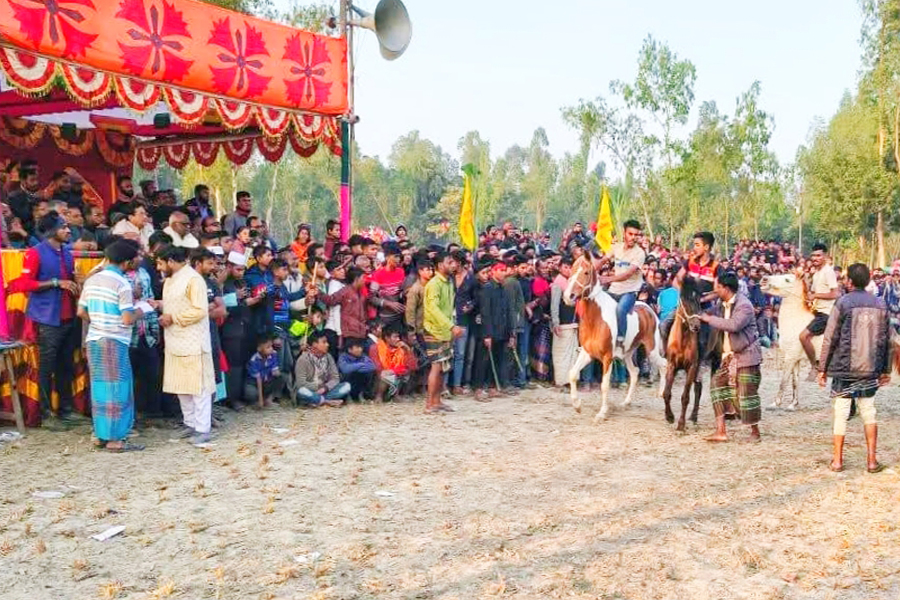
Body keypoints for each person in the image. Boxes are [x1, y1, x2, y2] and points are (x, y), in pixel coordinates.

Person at [8, 212, 82, 428]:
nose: (68, 231)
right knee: (46, 368)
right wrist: (56, 282)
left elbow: (70, 281)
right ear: (51, 231)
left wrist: (76, 282)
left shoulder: (68, 253)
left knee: (66, 365)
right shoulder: (34, 253)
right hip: (47, 319)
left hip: (69, 316)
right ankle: (46, 414)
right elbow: (24, 285)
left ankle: (66, 410)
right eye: (64, 227)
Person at [818, 263, 891, 473]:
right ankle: (871, 461)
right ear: (868, 281)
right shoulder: (880, 304)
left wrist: (822, 368)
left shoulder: (842, 303)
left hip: (844, 367)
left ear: (849, 281)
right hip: (870, 368)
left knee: (840, 413)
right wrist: (885, 370)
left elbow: (830, 338)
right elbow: (886, 340)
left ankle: (838, 461)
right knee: (869, 412)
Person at [77, 239, 146, 452]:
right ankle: (116, 438)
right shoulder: (122, 283)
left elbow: (81, 312)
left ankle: (100, 434)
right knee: (119, 387)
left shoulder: (92, 280)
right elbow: (127, 319)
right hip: (115, 340)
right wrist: (142, 310)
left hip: (95, 339)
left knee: (100, 387)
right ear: (126, 262)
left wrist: (99, 320)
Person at [158, 245, 216, 446]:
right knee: (181, 385)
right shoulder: (169, 281)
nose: (159, 267)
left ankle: (202, 428)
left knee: (198, 387)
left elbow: (200, 310)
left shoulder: (193, 279)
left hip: (193, 341)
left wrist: (172, 317)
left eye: (160, 263)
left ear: (171, 261)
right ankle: (190, 423)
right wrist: (158, 306)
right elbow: (173, 304)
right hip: (174, 340)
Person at [698, 271, 762, 443]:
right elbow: (712, 311)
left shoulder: (744, 305)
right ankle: (721, 431)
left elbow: (733, 325)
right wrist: (698, 306)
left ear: (725, 288)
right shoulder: (722, 303)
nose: (715, 291)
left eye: (717, 288)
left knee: (746, 395)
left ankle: (755, 432)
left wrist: (707, 318)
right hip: (727, 357)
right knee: (716, 387)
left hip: (746, 356)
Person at [422, 251, 462, 413]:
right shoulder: (434, 284)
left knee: (442, 368)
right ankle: (429, 404)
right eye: (449, 262)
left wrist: (452, 325)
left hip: (445, 330)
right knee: (436, 367)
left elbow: (449, 308)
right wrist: (451, 326)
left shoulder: (449, 283)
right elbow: (433, 309)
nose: (453, 265)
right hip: (434, 330)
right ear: (440, 265)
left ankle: (437, 401)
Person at [598, 220, 647, 348]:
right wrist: (591, 270)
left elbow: (627, 274)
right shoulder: (616, 247)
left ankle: (620, 341)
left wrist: (607, 279)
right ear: (624, 233)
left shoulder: (640, 253)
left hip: (629, 292)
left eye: (636, 235)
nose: (633, 237)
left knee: (620, 310)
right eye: (630, 234)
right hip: (614, 290)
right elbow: (603, 260)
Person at [801, 243, 841, 381]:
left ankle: (815, 366)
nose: (815, 258)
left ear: (825, 256)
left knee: (803, 336)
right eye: (813, 255)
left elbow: (835, 293)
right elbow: (812, 293)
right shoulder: (817, 272)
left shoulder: (828, 271)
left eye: (818, 255)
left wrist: (816, 295)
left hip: (826, 313)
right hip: (817, 310)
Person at [294, 330, 351, 407]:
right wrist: (318, 386)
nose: (327, 345)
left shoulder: (328, 357)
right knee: (302, 391)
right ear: (314, 344)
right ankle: (327, 402)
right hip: (311, 390)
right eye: (324, 342)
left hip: (325, 390)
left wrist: (325, 388)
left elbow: (335, 378)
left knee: (346, 386)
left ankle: (317, 401)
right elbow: (301, 383)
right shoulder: (303, 359)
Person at [550, 256, 579, 389]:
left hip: (573, 323)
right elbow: (554, 305)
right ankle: (560, 380)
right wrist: (555, 323)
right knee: (561, 353)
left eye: (570, 267)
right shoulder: (558, 283)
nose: (567, 270)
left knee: (572, 353)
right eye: (565, 267)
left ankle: (570, 380)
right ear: (560, 268)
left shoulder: (573, 282)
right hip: (562, 323)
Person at [371, 325, 416, 402]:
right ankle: (378, 397)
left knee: (401, 375)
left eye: (398, 337)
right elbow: (378, 368)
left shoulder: (401, 349)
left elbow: (413, 367)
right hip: (379, 381)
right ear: (387, 338)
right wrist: (393, 371)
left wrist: (408, 350)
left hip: (396, 377)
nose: (398, 339)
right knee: (384, 374)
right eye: (395, 337)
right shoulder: (375, 348)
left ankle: (396, 396)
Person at [245, 333, 286, 408]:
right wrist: (260, 400)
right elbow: (258, 379)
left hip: (266, 380)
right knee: (250, 392)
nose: (271, 349)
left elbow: (275, 369)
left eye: (271, 346)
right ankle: (258, 401)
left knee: (281, 377)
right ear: (259, 349)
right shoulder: (254, 360)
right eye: (268, 347)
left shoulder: (274, 354)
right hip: (255, 383)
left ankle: (269, 400)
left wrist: (276, 372)